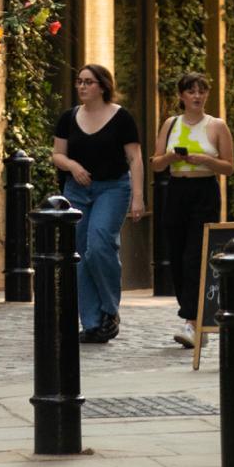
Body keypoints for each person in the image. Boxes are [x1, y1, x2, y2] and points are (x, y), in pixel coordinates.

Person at [51, 64, 145, 345]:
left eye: (88, 82)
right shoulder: (68, 118)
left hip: (112, 188)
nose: (82, 86)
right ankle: (92, 323)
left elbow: (135, 159)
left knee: (100, 245)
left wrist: (138, 197)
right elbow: (57, 155)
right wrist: (72, 165)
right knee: (79, 255)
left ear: (102, 86)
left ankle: (109, 310)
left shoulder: (121, 118)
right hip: (77, 191)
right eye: (79, 82)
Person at [149, 71, 234, 349]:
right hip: (176, 192)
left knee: (195, 257)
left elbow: (229, 166)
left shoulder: (217, 125)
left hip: (204, 192)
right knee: (175, 255)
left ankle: (191, 322)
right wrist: (173, 157)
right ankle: (196, 318)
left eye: (201, 91)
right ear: (182, 96)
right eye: (191, 91)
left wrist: (205, 160)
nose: (197, 96)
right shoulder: (170, 124)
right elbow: (156, 163)